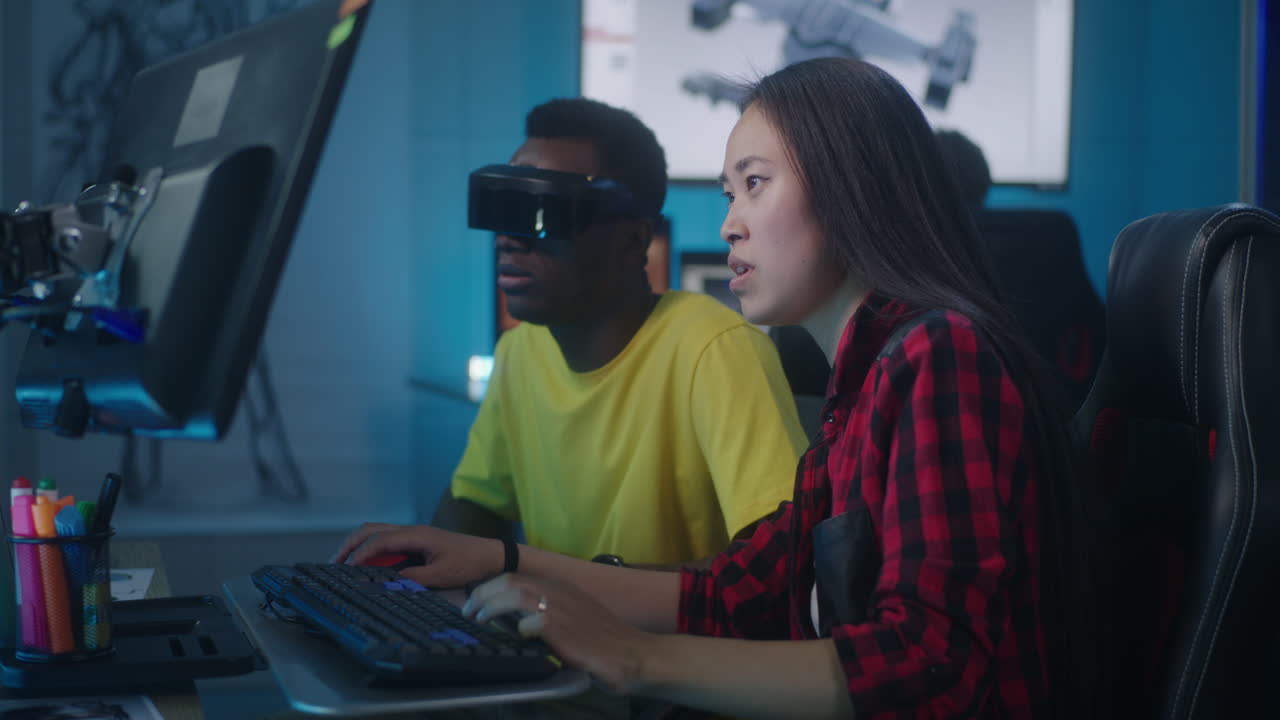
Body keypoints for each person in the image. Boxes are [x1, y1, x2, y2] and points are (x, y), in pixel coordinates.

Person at [337, 57, 1097, 718]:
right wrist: (502, 563)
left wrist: (633, 658)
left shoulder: (939, 353)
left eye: (755, 185)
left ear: (851, 189)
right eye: (731, 194)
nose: (730, 224)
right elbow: (732, 594)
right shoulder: (860, 393)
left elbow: (929, 663)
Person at [425, 97, 808, 568]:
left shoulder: (714, 350)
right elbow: (474, 504)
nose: (508, 238)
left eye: (542, 211)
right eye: (504, 207)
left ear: (634, 239)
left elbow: (778, 566)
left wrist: (555, 586)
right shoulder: (520, 350)